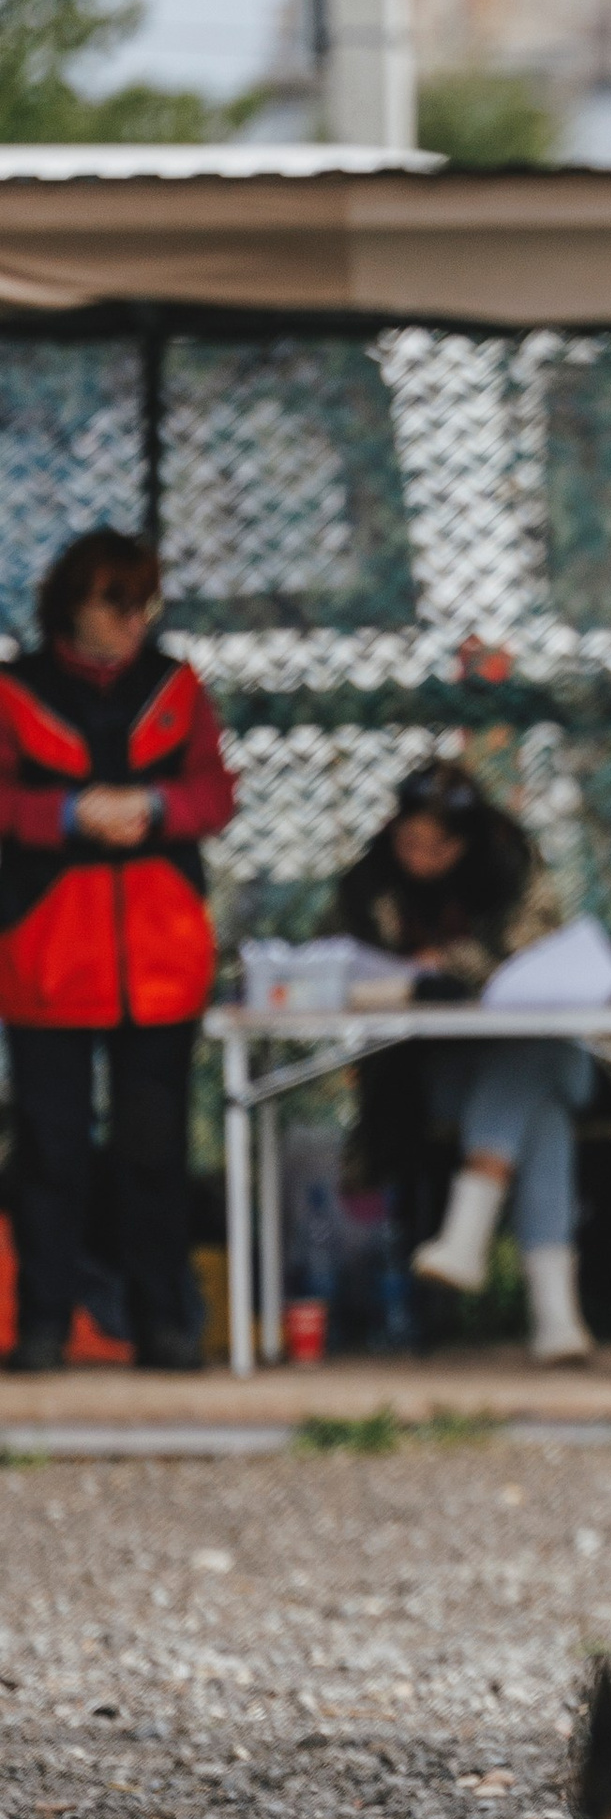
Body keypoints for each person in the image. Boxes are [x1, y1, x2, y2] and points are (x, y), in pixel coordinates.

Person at [0, 526, 235, 1370]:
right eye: (116, 604)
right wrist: (68, 817)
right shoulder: (14, 691)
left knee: (155, 1149)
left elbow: (214, 790)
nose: (133, 622)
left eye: (144, 606)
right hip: (49, 955)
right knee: (50, 1149)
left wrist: (157, 812)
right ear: (74, 603)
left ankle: (163, 1324)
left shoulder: (175, 688)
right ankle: (42, 1328)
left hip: (160, 956)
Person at [335, 757, 595, 1364]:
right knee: (542, 1117)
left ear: (468, 843)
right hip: (433, 1074)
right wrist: (407, 983)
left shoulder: (513, 871)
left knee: (532, 1048)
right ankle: (556, 1318)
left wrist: (450, 967)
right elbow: (341, 964)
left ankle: (468, 1233)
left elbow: (529, 958)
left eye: (438, 845)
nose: (419, 857)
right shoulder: (368, 884)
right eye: (409, 841)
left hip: (543, 1058)